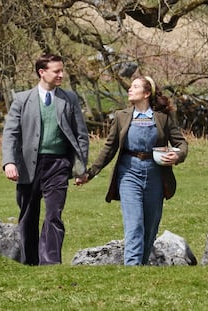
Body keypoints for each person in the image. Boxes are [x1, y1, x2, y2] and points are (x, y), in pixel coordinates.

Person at [86, 75, 188, 265]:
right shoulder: (121, 116)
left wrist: (177, 156)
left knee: (150, 227)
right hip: (128, 173)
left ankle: (140, 267)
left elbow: (181, 143)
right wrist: (91, 172)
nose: (129, 90)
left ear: (147, 93)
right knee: (134, 224)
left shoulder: (163, 118)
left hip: (156, 175)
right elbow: (109, 148)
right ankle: (131, 267)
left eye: (135, 87)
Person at [2, 54, 89, 266]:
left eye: (62, 70)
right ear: (42, 72)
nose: (61, 74)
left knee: (54, 214)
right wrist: (9, 162)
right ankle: (29, 261)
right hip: (28, 165)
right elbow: (11, 133)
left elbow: (81, 135)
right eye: (56, 71)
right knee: (28, 215)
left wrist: (80, 168)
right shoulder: (22, 100)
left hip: (58, 164)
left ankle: (50, 262)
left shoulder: (69, 99)